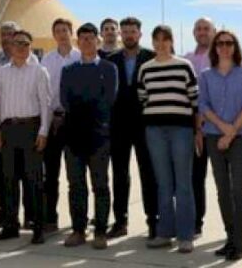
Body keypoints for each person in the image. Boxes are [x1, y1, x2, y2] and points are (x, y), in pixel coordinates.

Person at [138, 24, 200, 253]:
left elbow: (194, 99)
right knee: (163, 183)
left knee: (183, 183)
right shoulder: (145, 68)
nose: (161, 44)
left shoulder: (184, 66)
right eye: (157, 39)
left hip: (181, 130)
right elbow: (142, 97)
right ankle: (165, 232)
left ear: (172, 41)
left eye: (166, 39)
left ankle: (186, 236)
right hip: (155, 131)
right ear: (152, 42)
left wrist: (197, 131)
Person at [199, 29, 242, 262]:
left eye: (229, 43)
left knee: (237, 190)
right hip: (214, 136)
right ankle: (230, 238)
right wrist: (223, 129)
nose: (224, 47)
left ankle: (239, 243)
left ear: (235, 47)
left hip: (241, 137)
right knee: (222, 189)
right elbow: (202, 105)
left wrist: (231, 132)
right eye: (220, 43)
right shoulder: (205, 75)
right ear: (214, 47)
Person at [0, 29, 51, 244]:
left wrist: (44, 131)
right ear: (11, 46)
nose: (21, 47)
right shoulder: (3, 72)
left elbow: (46, 104)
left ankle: (37, 227)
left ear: (30, 46)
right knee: (8, 180)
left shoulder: (39, 71)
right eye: (17, 43)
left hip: (31, 129)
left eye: (26, 44)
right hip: (8, 130)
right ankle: (10, 225)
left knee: (33, 180)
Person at [61, 23, 118, 250]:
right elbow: (65, 100)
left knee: (100, 185)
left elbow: (108, 100)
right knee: (76, 185)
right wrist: (86, 105)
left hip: (98, 136)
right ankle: (78, 230)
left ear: (98, 41)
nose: (86, 41)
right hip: (73, 136)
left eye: (91, 38)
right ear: (77, 42)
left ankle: (101, 231)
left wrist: (86, 107)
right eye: (82, 38)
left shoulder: (108, 68)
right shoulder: (69, 70)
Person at [107, 16, 158, 238]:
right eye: (125, 31)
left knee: (149, 173)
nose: (128, 35)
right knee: (120, 174)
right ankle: (120, 221)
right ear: (120, 34)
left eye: (132, 31)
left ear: (140, 34)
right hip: (118, 126)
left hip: (144, 124)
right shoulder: (110, 60)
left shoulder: (152, 58)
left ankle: (153, 221)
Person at [40, 18, 81, 231]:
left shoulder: (80, 57)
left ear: (71, 32)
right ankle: (50, 218)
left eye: (65, 30)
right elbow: (43, 94)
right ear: (54, 34)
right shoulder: (46, 60)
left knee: (76, 176)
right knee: (51, 175)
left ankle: (78, 220)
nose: (62, 34)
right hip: (54, 121)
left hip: (75, 121)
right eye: (58, 31)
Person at [184, 16, 215, 238]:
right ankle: (196, 222)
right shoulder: (186, 60)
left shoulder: (222, 57)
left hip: (220, 127)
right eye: (198, 29)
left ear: (213, 31)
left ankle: (233, 229)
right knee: (196, 177)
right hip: (195, 128)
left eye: (206, 28)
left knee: (230, 181)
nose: (202, 32)